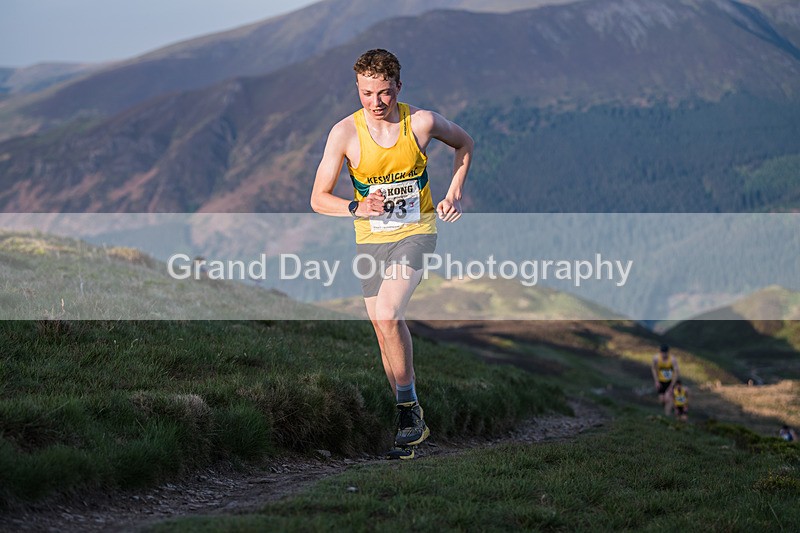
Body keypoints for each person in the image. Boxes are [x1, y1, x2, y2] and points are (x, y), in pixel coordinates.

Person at [310, 49, 473, 458]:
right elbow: (317, 198)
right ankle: (408, 422)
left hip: (417, 232)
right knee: (384, 335)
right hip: (370, 239)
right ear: (358, 89)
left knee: (387, 314)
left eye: (384, 93)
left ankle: (408, 411)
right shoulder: (344, 133)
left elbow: (465, 143)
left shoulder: (421, 122)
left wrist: (454, 192)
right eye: (367, 93)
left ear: (398, 87)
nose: (375, 102)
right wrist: (356, 206)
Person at [651, 344, 679, 416]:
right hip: (661, 381)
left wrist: (672, 386)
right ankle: (669, 408)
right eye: (662, 353)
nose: (664, 355)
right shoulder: (656, 358)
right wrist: (656, 381)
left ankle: (667, 415)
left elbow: (676, 372)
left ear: (668, 352)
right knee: (661, 400)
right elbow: (653, 368)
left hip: (670, 381)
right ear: (660, 352)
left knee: (668, 398)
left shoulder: (672, 359)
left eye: (665, 353)